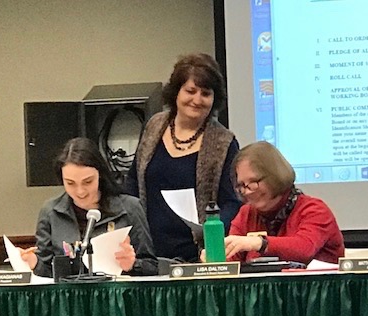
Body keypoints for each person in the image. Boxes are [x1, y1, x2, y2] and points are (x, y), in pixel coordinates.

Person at [125, 53, 241, 262]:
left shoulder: (225, 142)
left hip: (198, 257)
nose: (197, 100)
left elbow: (232, 203)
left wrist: (211, 240)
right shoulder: (153, 126)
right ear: (176, 92)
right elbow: (133, 181)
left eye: (205, 93)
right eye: (190, 91)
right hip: (148, 254)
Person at [22, 137, 158, 277]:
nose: (80, 191)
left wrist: (133, 264)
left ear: (100, 174)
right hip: (69, 295)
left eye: (88, 182)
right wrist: (34, 263)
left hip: (117, 295)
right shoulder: (50, 212)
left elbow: (152, 267)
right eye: (70, 183)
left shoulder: (130, 208)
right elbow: (47, 271)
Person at [224, 142, 344, 264]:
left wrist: (260, 243)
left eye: (253, 182)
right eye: (242, 185)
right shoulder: (246, 214)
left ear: (274, 176)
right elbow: (230, 263)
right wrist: (215, 259)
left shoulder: (315, 210)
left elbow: (305, 249)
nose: (247, 192)